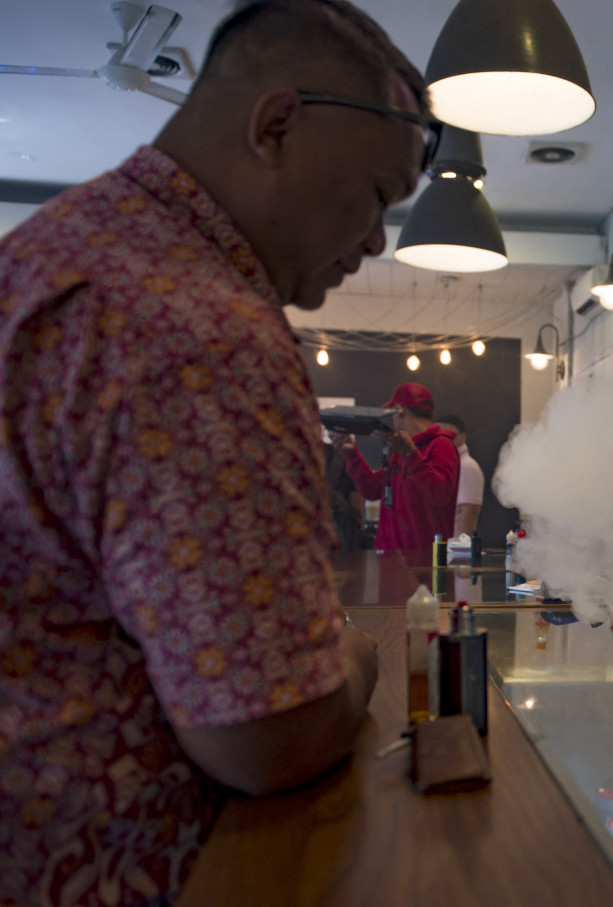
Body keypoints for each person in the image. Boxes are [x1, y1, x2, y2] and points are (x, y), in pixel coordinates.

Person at [0, 1, 434, 904]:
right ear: (276, 125)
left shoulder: (58, 251)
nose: (374, 240)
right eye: (379, 196)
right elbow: (268, 734)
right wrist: (355, 654)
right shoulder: (201, 330)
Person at [334, 382, 459, 550]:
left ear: (399, 409)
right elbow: (371, 489)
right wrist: (351, 454)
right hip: (391, 559)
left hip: (423, 562)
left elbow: (440, 494)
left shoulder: (441, 445)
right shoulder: (399, 451)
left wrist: (410, 453)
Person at [438, 414, 485, 538]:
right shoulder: (448, 463)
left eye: (449, 435)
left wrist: (461, 550)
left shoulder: (466, 466)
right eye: (439, 436)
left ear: (462, 438)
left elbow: (469, 513)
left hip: (453, 547)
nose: (444, 440)